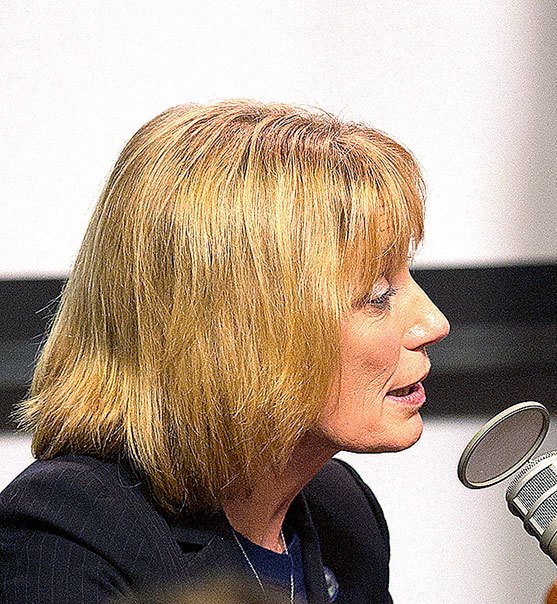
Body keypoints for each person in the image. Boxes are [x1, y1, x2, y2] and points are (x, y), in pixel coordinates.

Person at [0, 100, 450, 603]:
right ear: (242, 331)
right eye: (377, 294)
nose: (434, 323)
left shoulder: (341, 513)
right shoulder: (70, 537)